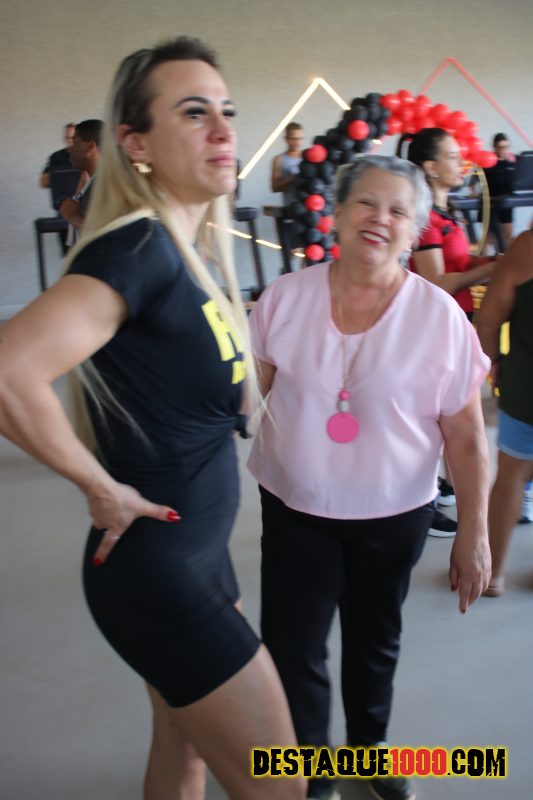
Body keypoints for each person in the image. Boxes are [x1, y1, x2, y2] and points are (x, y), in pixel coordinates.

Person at [0, 37, 304, 800]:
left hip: (196, 557)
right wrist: (99, 488)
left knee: (184, 753)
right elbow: (8, 372)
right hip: (159, 572)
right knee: (282, 784)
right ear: (134, 143)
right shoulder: (138, 249)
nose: (223, 130)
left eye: (227, 111)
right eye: (194, 113)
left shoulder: (184, 250)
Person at [248, 155, 492, 800]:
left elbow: (466, 436)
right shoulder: (285, 298)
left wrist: (474, 533)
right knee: (292, 643)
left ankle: (367, 752)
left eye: (398, 211)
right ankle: (309, 765)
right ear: (337, 210)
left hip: (394, 511)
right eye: (365, 203)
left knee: (374, 637)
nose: (379, 219)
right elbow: (246, 397)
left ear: (415, 230)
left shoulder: (438, 317)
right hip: (295, 504)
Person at [405, 128, 498, 536]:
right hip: (432, 326)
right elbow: (436, 282)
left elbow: (458, 262)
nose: (462, 163)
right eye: (453, 156)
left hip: (456, 323)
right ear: (430, 166)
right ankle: (420, 502)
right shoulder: (426, 218)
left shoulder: (446, 213)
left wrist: (491, 261)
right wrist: (491, 268)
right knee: (433, 415)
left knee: (449, 411)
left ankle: (437, 487)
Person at [477, 230, 533, 596]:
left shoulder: (528, 246)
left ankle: (492, 573)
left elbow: (488, 320)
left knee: (512, 475)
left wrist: (492, 363)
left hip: (526, 388)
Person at [59, 118, 103, 234]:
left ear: (90, 147)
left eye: (74, 143)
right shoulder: (92, 182)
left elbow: (109, 236)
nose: (70, 149)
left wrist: (73, 217)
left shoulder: (106, 186)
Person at [271, 121, 305, 207]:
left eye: (300, 138)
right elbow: (275, 188)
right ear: (286, 139)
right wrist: (293, 178)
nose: (298, 142)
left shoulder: (308, 157)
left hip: (310, 208)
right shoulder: (278, 159)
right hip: (291, 208)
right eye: (294, 139)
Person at [39, 122, 76, 188]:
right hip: (61, 194)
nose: (71, 141)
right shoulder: (55, 156)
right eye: (68, 138)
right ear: (64, 138)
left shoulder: (86, 156)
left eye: (73, 138)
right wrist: (60, 174)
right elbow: (43, 183)